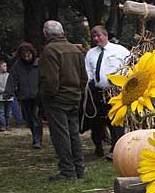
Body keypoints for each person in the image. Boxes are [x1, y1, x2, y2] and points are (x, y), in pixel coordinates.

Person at [39, 20, 86, 181]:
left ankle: (67, 171)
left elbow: (51, 80)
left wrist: (48, 96)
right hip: (74, 97)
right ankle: (79, 169)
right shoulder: (75, 49)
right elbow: (83, 77)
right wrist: (78, 92)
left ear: (45, 33)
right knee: (73, 134)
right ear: (63, 32)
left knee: (61, 135)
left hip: (57, 99)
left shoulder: (49, 50)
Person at [83, 25, 129, 158]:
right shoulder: (91, 53)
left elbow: (130, 66)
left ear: (106, 35)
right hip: (97, 91)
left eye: (99, 36)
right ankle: (98, 146)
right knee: (96, 121)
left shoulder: (120, 50)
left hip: (115, 91)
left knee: (115, 120)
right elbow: (88, 72)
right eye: (94, 37)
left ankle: (117, 148)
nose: (96, 39)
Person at [7, 42, 42, 147]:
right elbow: (12, 79)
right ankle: (35, 136)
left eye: (28, 54)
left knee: (36, 117)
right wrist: (9, 92)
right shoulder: (17, 65)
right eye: (24, 55)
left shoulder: (39, 63)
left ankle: (37, 140)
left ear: (32, 53)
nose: (26, 57)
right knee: (29, 119)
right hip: (24, 95)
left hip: (37, 96)